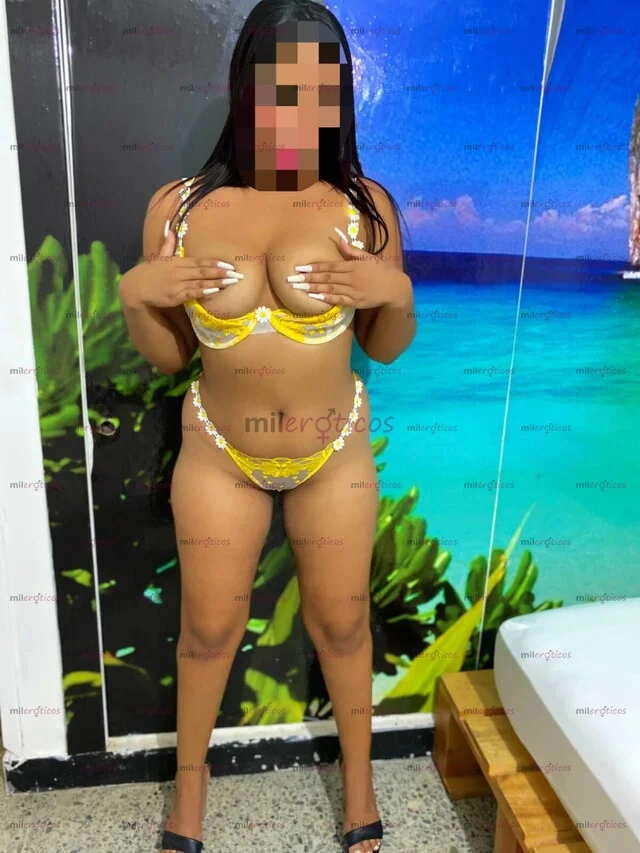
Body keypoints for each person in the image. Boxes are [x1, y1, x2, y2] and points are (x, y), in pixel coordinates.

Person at [119, 1, 415, 851]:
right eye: (281, 89)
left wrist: (396, 294)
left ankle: (359, 794)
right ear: (244, 87)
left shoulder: (365, 206)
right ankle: (187, 800)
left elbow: (385, 347)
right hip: (220, 455)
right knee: (208, 632)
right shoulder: (178, 208)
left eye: (321, 93)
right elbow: (169, 359)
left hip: (333, 449)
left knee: (344, 626)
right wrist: (138, 295)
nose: (300, 112)